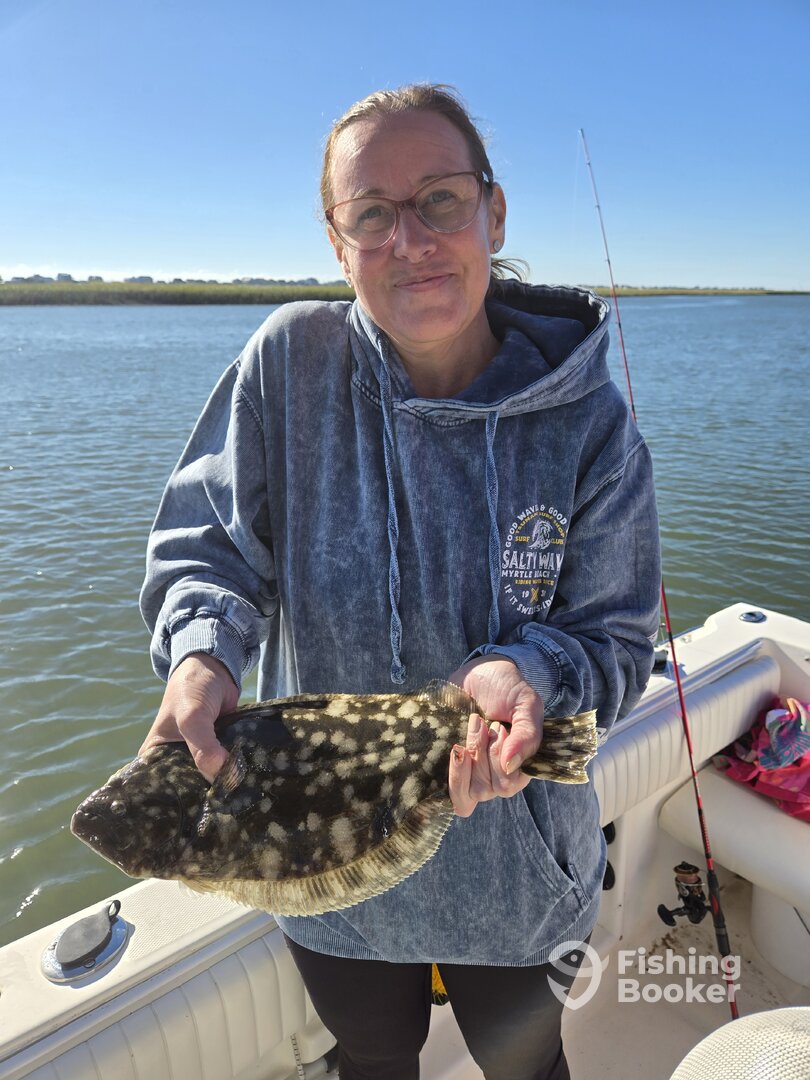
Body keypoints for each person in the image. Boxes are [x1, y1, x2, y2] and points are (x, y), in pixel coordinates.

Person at [138, 84, 661, 1080]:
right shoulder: (287, 363)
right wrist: (203, 653)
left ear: (493, 213)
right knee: (372, 1059)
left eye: (440, 201)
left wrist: (529, 679)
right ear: (339, 246)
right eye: (371, 214)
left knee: (526, 1064)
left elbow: (617, 640)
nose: (409, 240)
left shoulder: (590, 425)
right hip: (322, 847)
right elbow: (210, 545)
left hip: (519, 866)